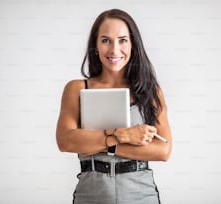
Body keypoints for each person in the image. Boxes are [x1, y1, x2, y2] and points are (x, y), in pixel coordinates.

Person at [56, 8, 172, 204]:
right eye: (105, 40)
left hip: (141, 194)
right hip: (91, 195)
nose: (114, 50)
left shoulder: (151, 90)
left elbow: (163, 150)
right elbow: (66, 141)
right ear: (95, 45)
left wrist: (100, 143)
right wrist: (124, 135)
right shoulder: (76, 88)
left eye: (122, 40)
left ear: (133, 44)